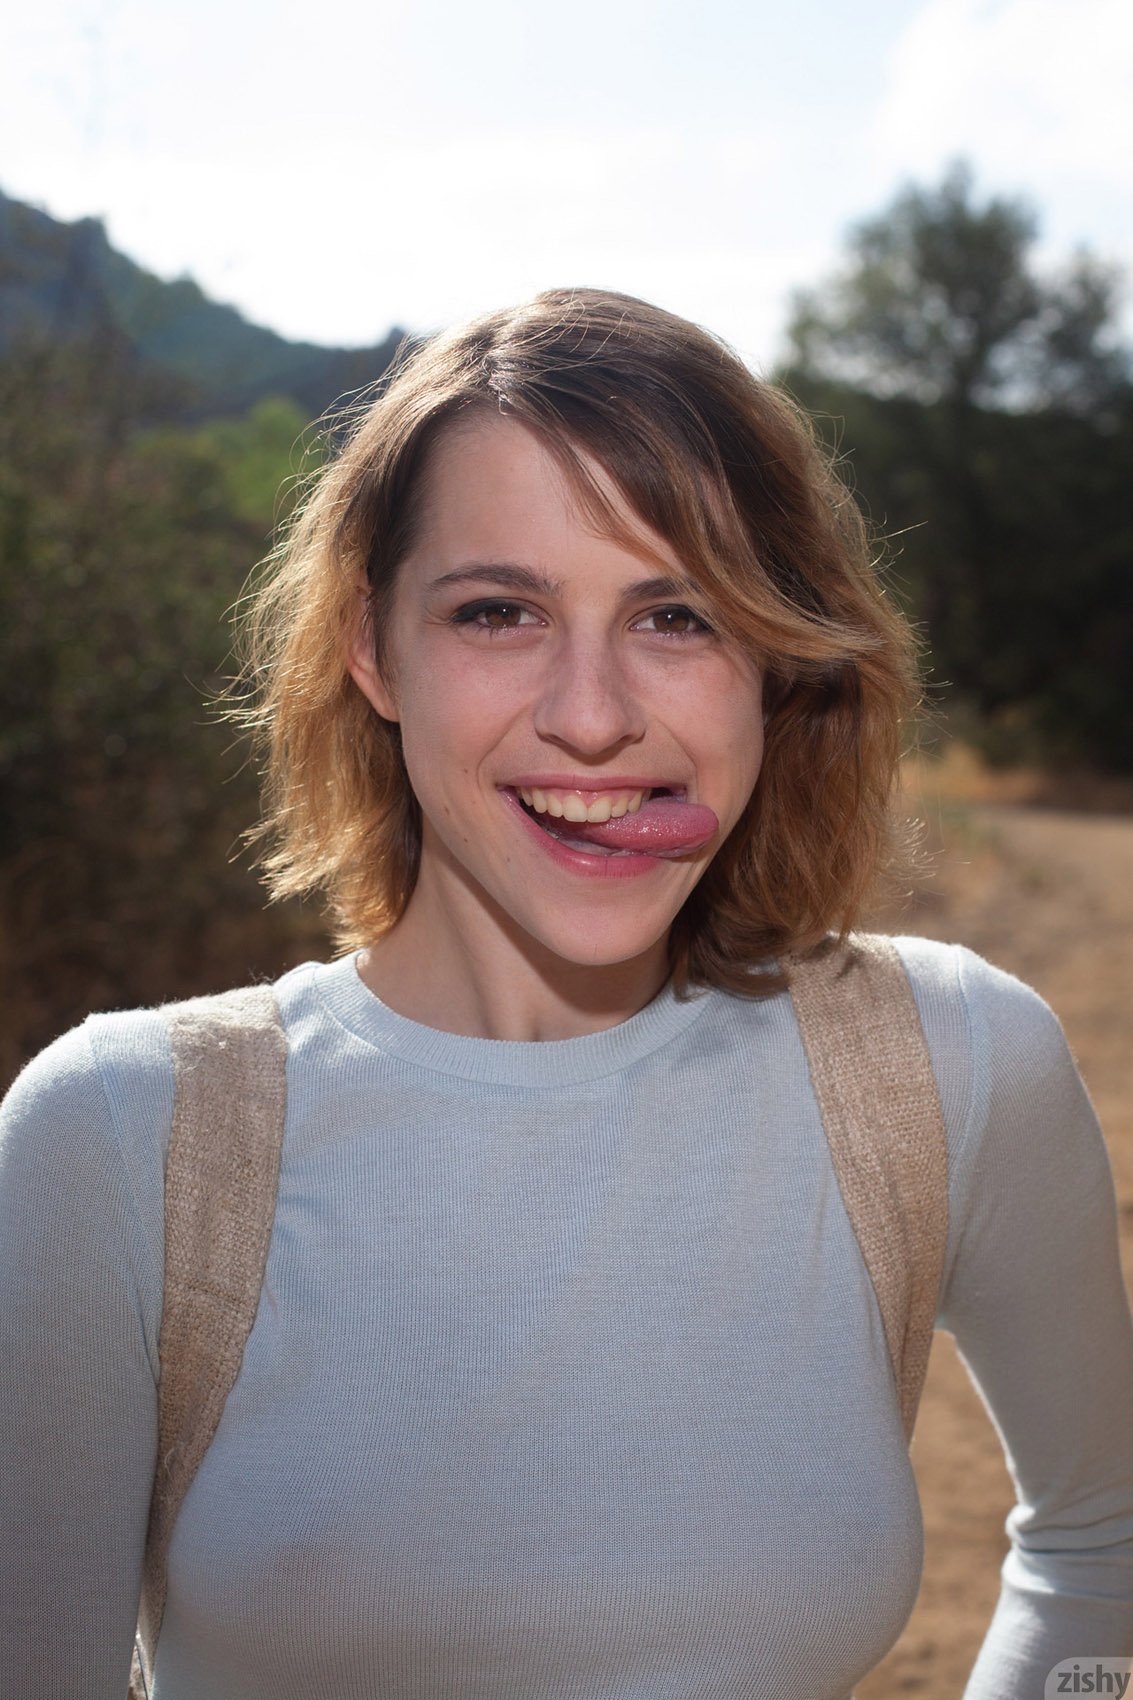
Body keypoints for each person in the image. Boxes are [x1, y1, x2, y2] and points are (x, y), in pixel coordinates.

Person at [2, 287, 1131, 1700]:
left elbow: (1104, 1538)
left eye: (677, 615)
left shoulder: (949, 1065)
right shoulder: (121, 1138)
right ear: (372, 650)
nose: (592, 715)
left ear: (772, 658)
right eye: (498, 612)